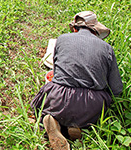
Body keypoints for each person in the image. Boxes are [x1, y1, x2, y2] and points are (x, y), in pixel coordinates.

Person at [31, 11, 123, 150]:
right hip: (90, 104)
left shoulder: (62, 39)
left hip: (58, 98)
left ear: (74, 29)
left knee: (44, 99)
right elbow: (116, 89)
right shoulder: (107, 48)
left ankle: (55, 120)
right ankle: (78, 126)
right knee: (98, 104)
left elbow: (57, 73)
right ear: (95, 31)